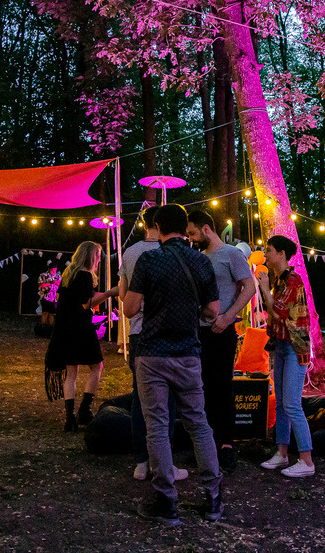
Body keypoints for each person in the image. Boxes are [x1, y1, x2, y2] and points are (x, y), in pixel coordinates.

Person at [124, 203, 223, 525]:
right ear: (185, 227)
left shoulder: (149, 260)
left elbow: (130, 309)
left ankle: (167, 502)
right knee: (198, 423)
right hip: (188, 353)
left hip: (152, 354)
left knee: (157, 426)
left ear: (157, 226)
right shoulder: (201, 261)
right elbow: (213, 310)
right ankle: (213, 498)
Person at [118, 206, 187, 483]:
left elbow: (124, 296)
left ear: (145, 224)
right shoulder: (171, 253)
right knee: (167, 399)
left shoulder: (130, 253)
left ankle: (142, 461)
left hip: (138, 331)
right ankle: (164, 461)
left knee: (140, 397)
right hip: (168, 330)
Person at [187, 209, 257, 472]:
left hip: (223, 330)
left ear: (206, 228)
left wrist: (228, 317)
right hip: (199, 331)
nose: (191, 239)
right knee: (201, 388)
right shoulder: (199, 257)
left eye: (193, 233)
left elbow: (249, 287)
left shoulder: (232, 254)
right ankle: (207, 445)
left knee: (222, 387)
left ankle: (227, 445)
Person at [257, 235, 315, 478]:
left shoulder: (293, 280)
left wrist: (263, 288)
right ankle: (282, 453)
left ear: (281, 254)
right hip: (281, 345)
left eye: (269, 250)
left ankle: (307, 461)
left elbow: (278, 311)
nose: (265, 254)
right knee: (281, 403)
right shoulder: (279, 281)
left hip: (294, 348)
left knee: (292, 404)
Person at [44, 241, 109, 431]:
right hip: (81, 328)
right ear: (91, 257)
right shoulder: (85, 275)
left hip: (64, 328)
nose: (99, 260)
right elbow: (86, 304)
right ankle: (84, 410)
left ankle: (69, 418)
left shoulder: (68, 273)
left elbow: (62, 298)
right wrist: (109, 293)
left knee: (71, 373)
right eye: (98, 256)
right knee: (96, 366)